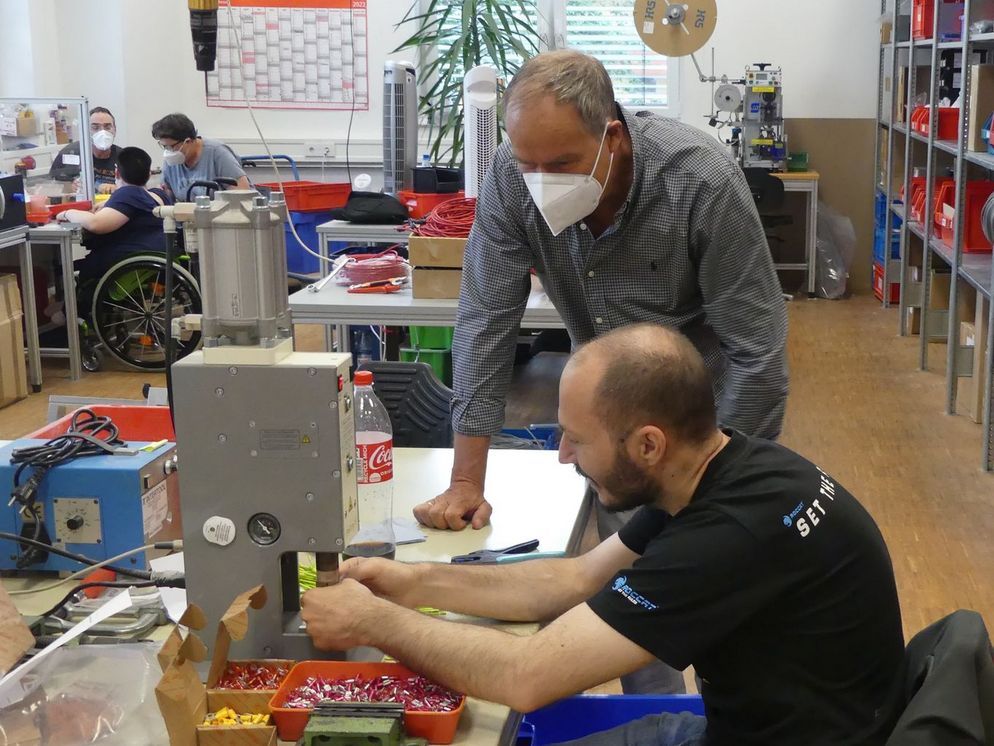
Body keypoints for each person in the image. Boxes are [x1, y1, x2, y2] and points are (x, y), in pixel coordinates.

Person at [301, 324, 905, 746]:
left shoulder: (727, 537)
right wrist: (410, 582)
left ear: (649, 443)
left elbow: (526, 677)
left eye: (577, 439)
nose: (562, 454)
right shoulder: (728, 467)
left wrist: (372, 623)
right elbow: (575, 576)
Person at [418, 50, 789, 541]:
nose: (543, 181)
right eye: (530, 163)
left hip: (707, 420)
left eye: (563, 163)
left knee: (705, 564)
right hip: (607, 421)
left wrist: (713, 492)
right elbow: (486, 323)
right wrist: (466, 482)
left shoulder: (701, 182)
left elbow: (758, 354)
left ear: (612, 137)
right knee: (626, 566)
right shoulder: (510, 177)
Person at [57, 146, 172, 281]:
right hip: (156, 253)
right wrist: (110, 201)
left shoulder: (128, 194)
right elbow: (134, 202)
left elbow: (96, 224)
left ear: (116, 173)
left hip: (127, 258)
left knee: (73, 268)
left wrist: (66, 213)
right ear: (149, 174)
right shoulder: (158, 195)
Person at [151, 113, 249, 201]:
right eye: (164, 146)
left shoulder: (217, 153)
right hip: (188, 218)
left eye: (171, 146)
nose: (169, 151)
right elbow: (167, 194)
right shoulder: (172, 160)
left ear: (188, 141)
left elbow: (241, 192)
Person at [49, 106, 121, 194]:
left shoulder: (124, 158)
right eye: (95, 127)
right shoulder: (70, 153)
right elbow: (52, 185)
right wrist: (70, 187)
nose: (103, 132)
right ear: (85, 131)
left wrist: (119, 189)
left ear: (115, 130)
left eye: (107, 127)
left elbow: (137, 189)